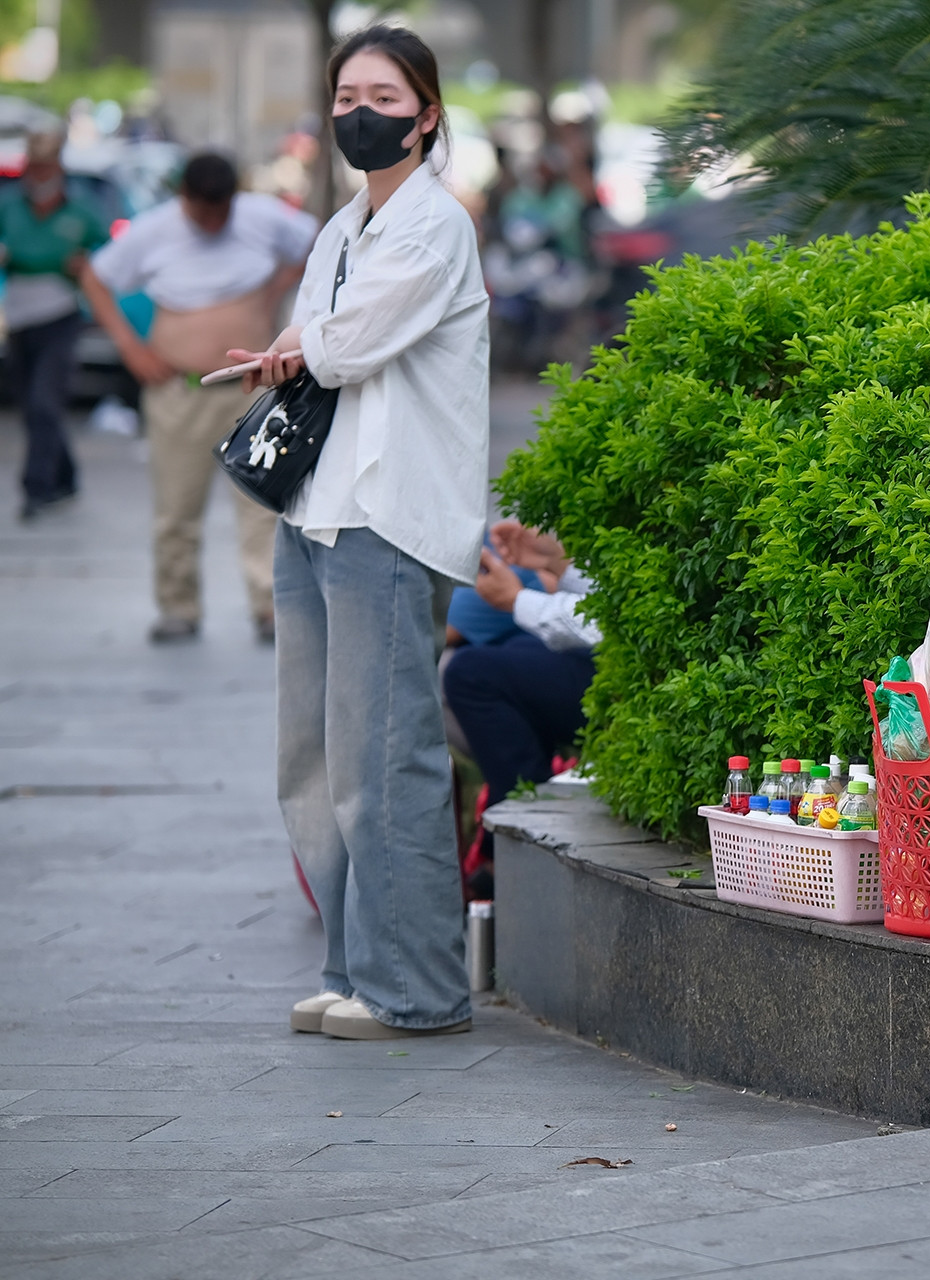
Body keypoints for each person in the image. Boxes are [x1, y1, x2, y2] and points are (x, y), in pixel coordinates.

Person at [228, 25, 489, 1041]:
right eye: (345, 97)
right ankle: (352, 966)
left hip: (388, 517)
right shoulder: (343, 228)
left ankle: (416, 986)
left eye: (382, 96)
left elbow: (348, 345)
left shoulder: (437, 226)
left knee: (387, 759)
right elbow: (316, 344)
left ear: (426, 114)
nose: (358, 114)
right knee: (317, 761)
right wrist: (294, 349)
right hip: (315, 509)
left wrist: (299, 348)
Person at [80, 153, 317, 644]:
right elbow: (94, 278)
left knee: (262, 504)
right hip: (179, 389)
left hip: (253, 389)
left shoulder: (259, 215)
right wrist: (131, 348)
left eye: (220, 211)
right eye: (202, 212)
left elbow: (317, 240)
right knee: (176, 508)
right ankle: (178, 605)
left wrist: (274, 289)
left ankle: (269, 604)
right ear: (184, 198)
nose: (212, 222)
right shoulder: (154, 229)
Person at [443, 520, 599, 894]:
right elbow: (613, 601)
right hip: (597, 648)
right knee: (493, 667)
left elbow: (616, 618)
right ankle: (510, 836)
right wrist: (558, 562)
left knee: (468, 673)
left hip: (625, 666)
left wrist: (518, 600)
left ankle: (527, 830)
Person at [2, 130, 109, 520]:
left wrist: (85, 266)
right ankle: (66, 476)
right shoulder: (10, 206)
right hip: (19, 315)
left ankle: (37, 488)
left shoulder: (80, 209)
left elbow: (106, 252)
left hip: (61, 315)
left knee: (45, 403)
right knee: (32, 405)